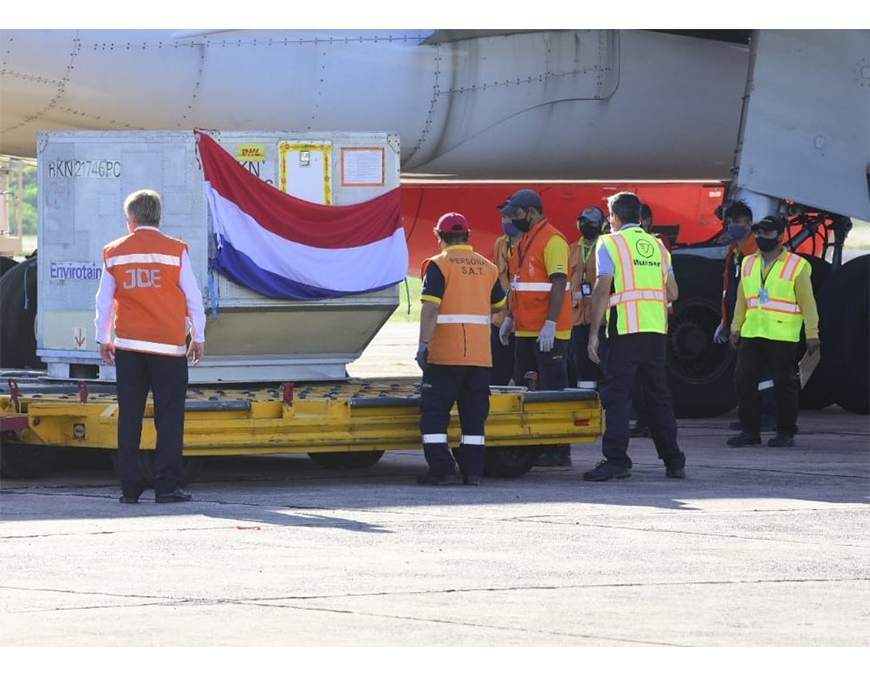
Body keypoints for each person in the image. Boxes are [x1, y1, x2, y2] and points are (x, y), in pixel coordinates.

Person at [95, 189, 206, 504]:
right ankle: (167, 488)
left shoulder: (114, 252)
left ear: (131, 219)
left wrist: (103, 338)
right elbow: (193, 297)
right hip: (169, 348)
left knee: (129, 416)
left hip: (129, 347)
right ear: (158, 217)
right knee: (169, 418)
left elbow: (104, 301)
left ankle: (130, 490)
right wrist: (198, 336)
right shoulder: (176, 250)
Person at [584, 191, 686, 481]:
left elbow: (602, 289)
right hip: (655, 333)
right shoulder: (658, 246)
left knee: (617, 398)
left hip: (625, 332)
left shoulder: (610, 243)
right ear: (639, 217)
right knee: (657, 398)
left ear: (614, 218)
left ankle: (617, 460)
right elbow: (673, 292)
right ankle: (673, 460)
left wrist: (594, 333)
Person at [416, 212, 506, 485]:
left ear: (439, 237)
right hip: (479, 356)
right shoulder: (488, 267)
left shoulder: (439, 265)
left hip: (445, 354)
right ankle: (473, 472)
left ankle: (442, 470)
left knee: (435, 415)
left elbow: (431, 308)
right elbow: (499, 306)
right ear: (467, 235)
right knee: (474, 418)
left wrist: (423, 345)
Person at [727, 216, 820, 448]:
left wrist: (812, 333)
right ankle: (750, 430)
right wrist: (736, 326)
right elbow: (742, 299)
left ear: (780, 237)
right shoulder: (748, 262)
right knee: (743, 379)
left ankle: (785, 431)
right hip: (752, 332)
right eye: (758, 233)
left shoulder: (796, 266)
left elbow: (808, 302)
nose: (760, 237)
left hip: (782, 334)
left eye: (767, 234)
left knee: (783, 385)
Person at [497, 189, 574, 467]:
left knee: (552, 390)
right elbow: (520, 285)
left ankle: (559, 450)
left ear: (531, 212)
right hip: (526, 330)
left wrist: (550, 324)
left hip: (548, 332)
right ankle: (535, 445)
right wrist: (510, 318)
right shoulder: (525, 240)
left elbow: (558, 283)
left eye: (516, 213)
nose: (511, 219)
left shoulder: (553, 240)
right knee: (526, 389)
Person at [714, 200, 777, 432]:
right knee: (744, 374)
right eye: (730, 222)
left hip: (755, 322)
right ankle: (749, 416)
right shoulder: (734, 253)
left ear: (750, 223)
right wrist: (726, 321)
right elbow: (729, 290)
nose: (733, 226)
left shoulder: (757, 252)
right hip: (737, 321)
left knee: (761, 373)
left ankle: (768, 416)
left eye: (738, 222)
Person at [567, 206, 607, 390]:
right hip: (577, 319)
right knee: (581, 365)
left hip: (600, 319)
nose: (586, 225)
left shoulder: (606, 248)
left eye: (592, 222)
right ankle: (586, 398)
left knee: (602, 365)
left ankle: (604, 400)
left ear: (601, 225)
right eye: (583, 221)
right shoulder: (572, 249)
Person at [490, 212, 522, 386]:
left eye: (508, 216)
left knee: (523, 375)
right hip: (500, 320)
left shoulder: (530, 243)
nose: (504, 220)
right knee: (497, 374)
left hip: (524, 323)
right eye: (502, 216)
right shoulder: (500, 243)